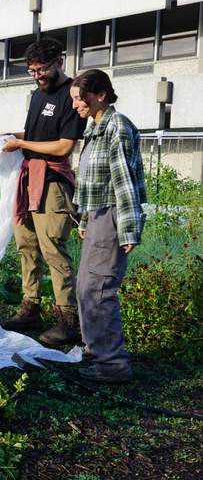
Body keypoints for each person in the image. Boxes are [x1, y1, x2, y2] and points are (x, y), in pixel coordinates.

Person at [0, 38, 87, 345]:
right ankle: (30, 306)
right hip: (28, 179)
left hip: (52, 182)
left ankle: (67, 320)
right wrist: (11, 137)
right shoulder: (38, 95)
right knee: (26, 244)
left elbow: (64, 145)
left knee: (52, 248)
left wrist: (21, 144)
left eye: (42, 70)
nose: (37, 76)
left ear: (59, 62)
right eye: (32, 70)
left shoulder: (73, 95)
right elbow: (36, 135)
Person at [70, 69, 146, 383]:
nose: (75, 105)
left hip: (113, 215)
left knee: (99, 291)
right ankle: (95, 352)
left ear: (100, 94)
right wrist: (85, 218)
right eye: (73, 99)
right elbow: (92, 182)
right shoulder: (95, 127)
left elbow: (124, 182)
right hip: (98, 214)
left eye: (80, 98)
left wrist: (129, 228)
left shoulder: (118, 127)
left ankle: (113, 366)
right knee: (85, 289)